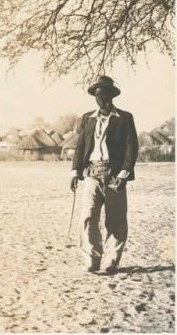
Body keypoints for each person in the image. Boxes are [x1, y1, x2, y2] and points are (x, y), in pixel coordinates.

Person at [70, 76, 138, 274]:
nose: (102, 98)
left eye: (106, 94)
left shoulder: (125, 118)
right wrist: (75, 172)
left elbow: (131, 148)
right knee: (88, 217)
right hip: (92, 173)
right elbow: (80, 145)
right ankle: (92, 259)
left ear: (112, 96)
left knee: (115, 219)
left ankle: (111, 261)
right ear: (95, 97)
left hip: (115, 175)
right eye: (98, 95)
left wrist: (123, 175)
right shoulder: (87, 118)